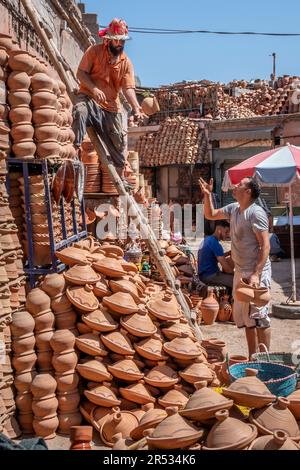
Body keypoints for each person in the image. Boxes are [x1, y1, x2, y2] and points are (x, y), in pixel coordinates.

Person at [199, 176, 271, 357]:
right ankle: (252, 357)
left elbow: (265, 245)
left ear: (248, 192)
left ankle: (265, 359)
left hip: (256, 271)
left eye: (239, 184)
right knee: (247, 319)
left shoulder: (256, 213)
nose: (235, 186)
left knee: (260, 317)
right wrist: (207, 195)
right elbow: (210, 214)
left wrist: (256, 273)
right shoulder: (233, 210)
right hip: (240, 271)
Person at [72, 18, 144, 189]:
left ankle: (117, 181)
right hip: (89, 98)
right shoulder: (94, 52)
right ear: (108, 39)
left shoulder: (126, 63)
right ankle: (74, 155)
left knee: (118, 143)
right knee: (79, 111)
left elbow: (128, 89)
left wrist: (136, 108)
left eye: (122, 41)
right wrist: (94, 89)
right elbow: (80, 73)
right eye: (116, 40)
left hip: (110, 107)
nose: (119, 44)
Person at [198, 220, 234, 288]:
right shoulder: (215, 244)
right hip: (210, 277)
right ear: (219, 230)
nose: (227, 235)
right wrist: (235, 275)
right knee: (236, 282)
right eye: (226, 231)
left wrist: (228, 253)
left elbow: (211, 258)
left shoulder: (208, 239)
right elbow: (227, 269)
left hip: (203, 275)